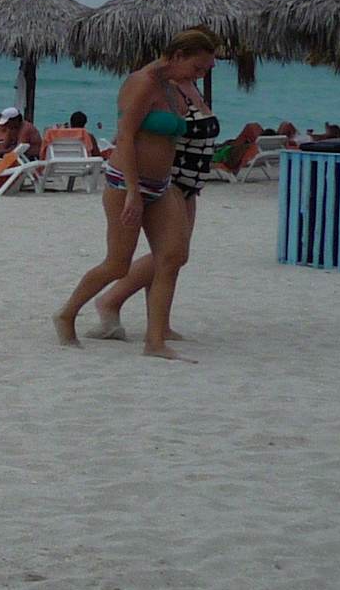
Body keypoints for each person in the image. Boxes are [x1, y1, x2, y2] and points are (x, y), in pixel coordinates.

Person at [56, 27, 220, 359]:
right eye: (197, 67)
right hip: (125, 183)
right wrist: (132, 190)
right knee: (117, 264)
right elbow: (126, 136)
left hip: (162, 185)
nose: (200, 75)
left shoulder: (173, 87)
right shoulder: (142, 82)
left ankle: (155, 341)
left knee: (171, 257)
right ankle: (66, 314)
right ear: (178, 56)